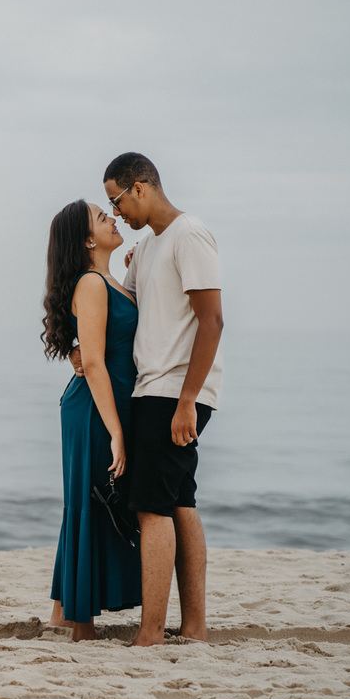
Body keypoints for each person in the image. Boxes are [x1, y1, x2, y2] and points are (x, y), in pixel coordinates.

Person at [100, 152, 224, 646]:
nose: (117, 214)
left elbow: (211, 321)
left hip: (173, 391)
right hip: (153, 387)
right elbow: (130, 310)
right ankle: (193, 627)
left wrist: (188, 400)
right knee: (178, 502)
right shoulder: (150, 245)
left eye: (117, 200)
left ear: (140, 187)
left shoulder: (189, 234)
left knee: (151, 508)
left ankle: (150, 633)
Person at [41, 199, 142, 642]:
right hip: (96, 410)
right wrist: (118, 431)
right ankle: (81, 627)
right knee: (89, 502)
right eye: (104, 218)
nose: (114, 218)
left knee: (88, 502)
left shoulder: (108, 280)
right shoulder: (91, 283)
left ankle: (64, 613)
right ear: (87, 240)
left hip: (105, 404)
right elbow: (96, 363)